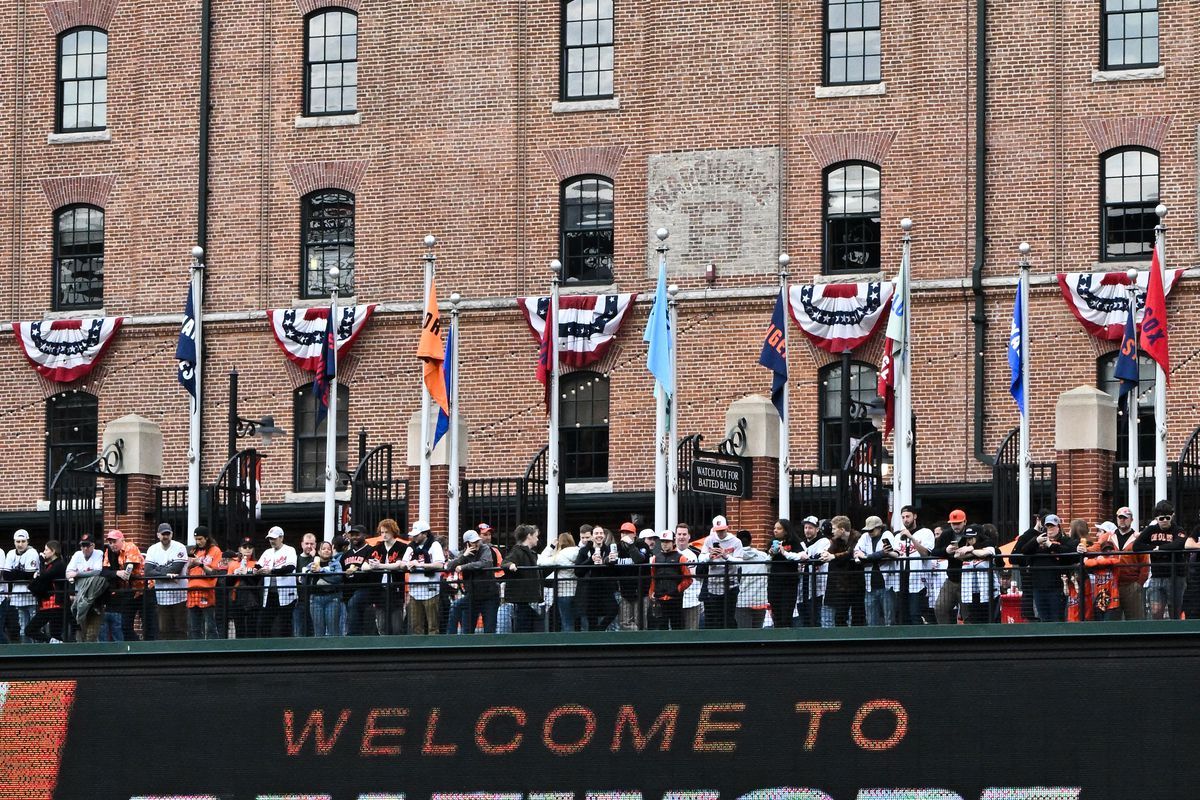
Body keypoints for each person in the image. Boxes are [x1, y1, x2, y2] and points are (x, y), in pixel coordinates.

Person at [1015, 513, 1076, 622]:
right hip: (1038, 587)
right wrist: (1036, 541)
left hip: (1057, 588)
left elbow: (1071, 553)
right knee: (1043, 619)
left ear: (1058, 527)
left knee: (1057, 619)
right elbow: (1024, 550)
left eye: (1052, 526)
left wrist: (1051, 545)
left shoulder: (1065, 540)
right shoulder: (1038, 540)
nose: (1050, 529)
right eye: (1047, 526)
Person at [1140, 500, 1188, 619]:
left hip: (1175, 576)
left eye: (1167, 517)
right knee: (1156, 610)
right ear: (1156, 518)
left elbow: (1179, 544)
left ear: (1172, 516)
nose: (1165, 520)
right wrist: (1153, 548)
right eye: (1161, 518)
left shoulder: (1178, 530)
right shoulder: (1151, 530)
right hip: (1157, 575)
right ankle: (1158, 635)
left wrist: (1159, 548)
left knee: (1175, 610)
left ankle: (1176, 635)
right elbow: (1137, 545)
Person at [448, 530, 500, 634]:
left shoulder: (485, 548)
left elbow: (486, 563)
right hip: (471, 597)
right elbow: (450, 567)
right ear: (466, 543)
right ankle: (452, 639)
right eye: (473, 542)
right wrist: (464, 556)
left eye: (477, 541)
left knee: (489, 630)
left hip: (489, 596)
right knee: (467, 630)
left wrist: (464, 567)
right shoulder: (463, 553)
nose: (476, 543)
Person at [143, 522, 189, 640]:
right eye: (163, 534)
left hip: (180, 594)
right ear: (158, 535)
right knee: (164, 630)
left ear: (172, 534)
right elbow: (148, 571)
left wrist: (158, 570)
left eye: (168, 534)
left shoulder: (180, 547)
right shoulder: (152, 549)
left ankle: (182, 656)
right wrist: (167, 573)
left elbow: (176, 569)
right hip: (161, 596)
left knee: (181, 629)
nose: (165, 536)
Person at [854, 516, 899, 626]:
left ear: (879, 528)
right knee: (871, 621)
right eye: (867, 530)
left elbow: (889, 552)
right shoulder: (865, 537)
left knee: (889, 620)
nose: (869, 532)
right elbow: (856, 552)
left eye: (872, 530)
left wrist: (866, 557)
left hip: (887, 585)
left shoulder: (887, 535)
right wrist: (877, 555)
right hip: (870, 586)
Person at [700, 515, 743, 629]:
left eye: (722, 530)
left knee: (729, 617)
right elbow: (701, 558)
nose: (720, 533)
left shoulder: (736, 541)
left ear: (727, 528)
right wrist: (709, 556)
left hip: (730, 584)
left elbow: (740, 562)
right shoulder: (709, 540)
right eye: (718, 531)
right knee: (716, 618)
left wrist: (726, 556)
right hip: (713, 584)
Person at [403, 520, 445, 635]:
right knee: (415, 626)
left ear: (425, 533)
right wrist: (408, 565)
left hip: (431, 589)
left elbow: (439, 564)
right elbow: (403, 563)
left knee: (433, 626)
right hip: (414, 590)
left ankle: (434, 650)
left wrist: (419, 564)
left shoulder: (434, 545)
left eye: (417, 535)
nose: (414, 537)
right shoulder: (411, 547)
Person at [894, 506, 935, 624]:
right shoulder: (898, 536)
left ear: (915, 516)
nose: (905, 520)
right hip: (901, 578)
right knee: (901, 614)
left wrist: (911, 537)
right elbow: (897, 553)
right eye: (903, 517)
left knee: (915, 613)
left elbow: (925, 553)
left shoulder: (926, 532)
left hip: (918, 580)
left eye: (908, 516)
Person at [367, 518, 408, 636]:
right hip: (380, 589)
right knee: (381, 623)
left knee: (396, 624)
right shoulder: (377, 548)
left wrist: (380, 565)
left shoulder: (402, 547)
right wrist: (372, 566)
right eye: (382, 532)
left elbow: (399, 564)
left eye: (387, 532)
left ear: (393, 532)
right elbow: (364, 565)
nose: (384, 535)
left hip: (396, 588)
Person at [100, 529, 142, 642]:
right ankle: (133, 648)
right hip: (129, 591)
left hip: (144, 589)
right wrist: (117, 573)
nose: (112, 545)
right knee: (125, 626)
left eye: (114, 541)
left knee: (149, 625)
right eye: (110, 542)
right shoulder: (108, 552)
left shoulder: (130, 547)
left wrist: (115, 574)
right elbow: (104, 572)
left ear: (122, 540)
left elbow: (128, 571)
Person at [257, 526, 298, 638]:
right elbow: (257, 565)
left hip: (286, 594)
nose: (271, 541)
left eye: (274, 538)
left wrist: (272, 571)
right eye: (270, 538)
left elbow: (290, 567)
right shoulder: (267, 552)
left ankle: (286, 651)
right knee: (264, 624)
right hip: (270, 593)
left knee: (285, 624)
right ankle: (267, 649)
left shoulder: (289, 550)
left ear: (281, 538)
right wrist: (256, 570)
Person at [66, 533, 107, 642]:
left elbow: (97, 572)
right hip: (80, 598)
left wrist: (77, 574)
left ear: (93, 545)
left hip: (94, 600)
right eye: (82, 545)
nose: (84, 548)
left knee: (91, 635)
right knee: (80, 633)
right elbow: (68, 572)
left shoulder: (98, 553)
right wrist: (74, 576)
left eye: (87, 545)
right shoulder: (77, 555)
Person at [1111, 506, 1150, 620]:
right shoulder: (1109, 536)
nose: (1122, 520)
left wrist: (1138, 584)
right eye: (1120, 517)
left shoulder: (1138, 538)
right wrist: (1083, 548)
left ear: (1131, 519)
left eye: (1125, 518)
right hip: (1113, 585)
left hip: (1131, 585)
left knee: (1135, 620)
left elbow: (1145, 564)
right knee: (1113, 621)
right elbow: (1096, 547)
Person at [575, 526, 617, 632]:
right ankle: (593, 641)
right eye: (596, 533)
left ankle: (599, 630)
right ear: (592, 536)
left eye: (601, 533)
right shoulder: (584, 551)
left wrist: (612, 562)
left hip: (605, 588)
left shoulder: (608, 550)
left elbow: (614, 572)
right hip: (589, 590)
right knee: (591, 619)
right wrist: (591, 560)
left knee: (614, 609)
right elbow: (577, 571)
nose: (599, 535)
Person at [648, 530, 692, 630]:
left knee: (677, 627)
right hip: (660, 599)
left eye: (667, 542)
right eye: (663, 542)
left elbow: (688, 579)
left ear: (673, 542)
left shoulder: (681, 558)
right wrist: (651, 593)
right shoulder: (656, 559)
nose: (665, 544)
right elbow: (653, 578)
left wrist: (677, 589)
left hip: (675, 599)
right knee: (661, 627)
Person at [931, 509, 969, 624]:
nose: (956, 526)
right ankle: (947, 634)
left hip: (967, 579)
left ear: (965, 522)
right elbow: (934, 552)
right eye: (953, 523)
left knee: (968, 613)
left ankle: (970, 638)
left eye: (958, 523)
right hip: (952, 579)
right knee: (940, 608)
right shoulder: (946, 534)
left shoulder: (971, 532)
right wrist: (946, 550)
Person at [504, 524, 543, 633]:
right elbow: (505, 563)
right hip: (522, 598)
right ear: (529, 536)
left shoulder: (531, 553)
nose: (537, 538)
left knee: (533, 624)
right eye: (536, 536)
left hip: (529, 597)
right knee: (523, 626)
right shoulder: (517, 551)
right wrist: (511, 565)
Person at [341, 525, 380, 636]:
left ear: (365, 535)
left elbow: (374, 572)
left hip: (366, 589)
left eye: (357, 534)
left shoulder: (372, 550)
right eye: (352, 535)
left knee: (356, 605)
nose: (354, 537)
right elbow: (342, 574)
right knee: (356, 613)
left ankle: (352, 637)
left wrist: (357, 570)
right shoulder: (345, 555)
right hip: (350, 591)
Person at [185, 526, 223, 640]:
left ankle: (213, 650)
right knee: (194, 626)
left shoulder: (215, 550)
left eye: (200, 539)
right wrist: (190, 565)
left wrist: (200, 564)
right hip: (192, 590)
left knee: (210, 624)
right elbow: (186, 573)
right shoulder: (193, 551)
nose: (198, 541)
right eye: (196, 539)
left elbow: (215, 572)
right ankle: (196, 651)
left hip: (207, 590)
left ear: (207, 538)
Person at [26, 542, 68, 644]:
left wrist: (41, 563)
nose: (44, 552)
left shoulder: (59, 564)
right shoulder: (49, 565)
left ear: (53, 551)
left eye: (46, 550)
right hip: (46, 605)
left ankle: (61, 653)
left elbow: (44, 577)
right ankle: (50, 641)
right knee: (29, 630)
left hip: (56, 604)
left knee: (56, 633)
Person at [539, 532, 580, 631]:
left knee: (567, 622)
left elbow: (540, 561)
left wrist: (551, 546)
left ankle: (567, 644)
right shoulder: (579, 551)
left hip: (564, 593)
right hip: (579, 592)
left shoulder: (560, 556)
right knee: (580, 622)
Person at [958, 524, 999, 623]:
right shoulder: (966, 546)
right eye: (967, 538)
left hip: (988, 591)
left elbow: (986, 553)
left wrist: (971, 550)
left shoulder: (988, 543)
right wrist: (971, 550)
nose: (968, 541)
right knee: (975, 618)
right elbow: (957, 555)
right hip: (972, 590)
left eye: (971, 538)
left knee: (989, 618)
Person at [4, 530, 41, 642]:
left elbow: (30, 575)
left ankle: (37, 650)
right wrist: (22, 574)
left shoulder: (32, 552)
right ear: (14, 542)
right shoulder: (11, 553)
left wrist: (15, 573)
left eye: (23, 541)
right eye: (18, 541)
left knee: (34, 626)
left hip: (31, 594)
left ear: (27, 541)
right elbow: (6, 575)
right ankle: (26, 649)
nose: (20, 544)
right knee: (22, 626)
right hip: (17, 595)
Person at [766, 518, 803, 628]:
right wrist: (771, 554)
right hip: (774, 583)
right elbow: (766, 563)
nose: (775, 531)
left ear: (786, 530)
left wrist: (785, 552)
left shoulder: (794, 542)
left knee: (786, 614)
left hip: (789, 583)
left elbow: (802, 556)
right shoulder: (771, 543)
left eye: (779, 528)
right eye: (774, 528)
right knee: (776, 614)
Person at [612, 522, 648, 631]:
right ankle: (635, 639)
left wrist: (631, 546)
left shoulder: (642, 545)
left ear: (634, 534)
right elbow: (610, 565)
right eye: (623, 533)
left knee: (640, 621)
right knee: (624, 622)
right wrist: (608, 560)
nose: (624, 535)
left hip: (641, 592)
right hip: (625, 591)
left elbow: (639, 559)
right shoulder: (617, 548)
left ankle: (642, 643)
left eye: (628, 533)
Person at [304, 540, 344, 636]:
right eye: (324, 549)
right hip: (315, 599)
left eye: (329, 549)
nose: (326, 551)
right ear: (318, 551)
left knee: (333, 629)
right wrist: (308, 572)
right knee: (318, 630)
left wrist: (321, 571)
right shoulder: (312, 564)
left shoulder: (336, 564)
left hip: (332, 598)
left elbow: (338, 577)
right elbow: (304, 580)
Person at [225, 537, 261, 638]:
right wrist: (236, 573)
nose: (247, 549)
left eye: (250, 547)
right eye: (245, 547)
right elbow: (228, 583)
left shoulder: (257, 564)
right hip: (237, 598)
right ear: (240, 549)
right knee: (239, 628)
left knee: (251, 628)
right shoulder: (233, 563)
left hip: (252, 599)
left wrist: (245, 573)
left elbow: (256, 583)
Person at [733, 530, 770, 629]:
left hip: (742, 601)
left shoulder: (733, 558)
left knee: (744, 635)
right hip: (760, 600)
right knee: (757, 634)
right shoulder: (763, 556)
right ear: (751, 541)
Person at [676, 524, 703, 630]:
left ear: (689, 536)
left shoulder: (697, 554)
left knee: (692, 632)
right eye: (679, 534)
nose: (681, 537)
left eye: (684, 534)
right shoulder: (670, 553)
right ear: (675, 537)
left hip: (693, 600)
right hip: (675, 601)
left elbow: (702, 576)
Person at [294, 532, 319, 637]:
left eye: (312, 544)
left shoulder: (318, 558)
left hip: (315, 599)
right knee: (300, 630)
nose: (309, 546)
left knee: (314, 630)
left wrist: (315, 557)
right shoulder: (296, 559)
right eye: (307, 543)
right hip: (300, 600)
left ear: (315, 545)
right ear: (302, 544)